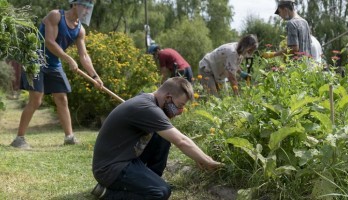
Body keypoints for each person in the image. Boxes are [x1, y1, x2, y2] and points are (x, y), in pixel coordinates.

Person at [91, 77, 222, 199]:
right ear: (168, 97)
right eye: (180, 105)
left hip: (125, 158)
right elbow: (181, 141)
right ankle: (107, 192)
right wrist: (207, 161)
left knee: (163, 137)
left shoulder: (148, 101)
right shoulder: (147, 107)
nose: (180, 111)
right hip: (109, 169)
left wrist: (200, 157)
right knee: (160, 192)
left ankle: (150, 181)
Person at [10, 0, 103, 149]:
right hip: (36, 59)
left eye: (89, 8)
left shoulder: (80, 30)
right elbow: (49, 42)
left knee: (62, 98)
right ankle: (19, 139)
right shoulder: (55, 16)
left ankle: (69, 137)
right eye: (84, 6)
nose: (86, 10)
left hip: (54, 64)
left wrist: (95, 76)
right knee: (36, 100)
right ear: (74, 4)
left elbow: (84, 56)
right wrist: (68, 59)